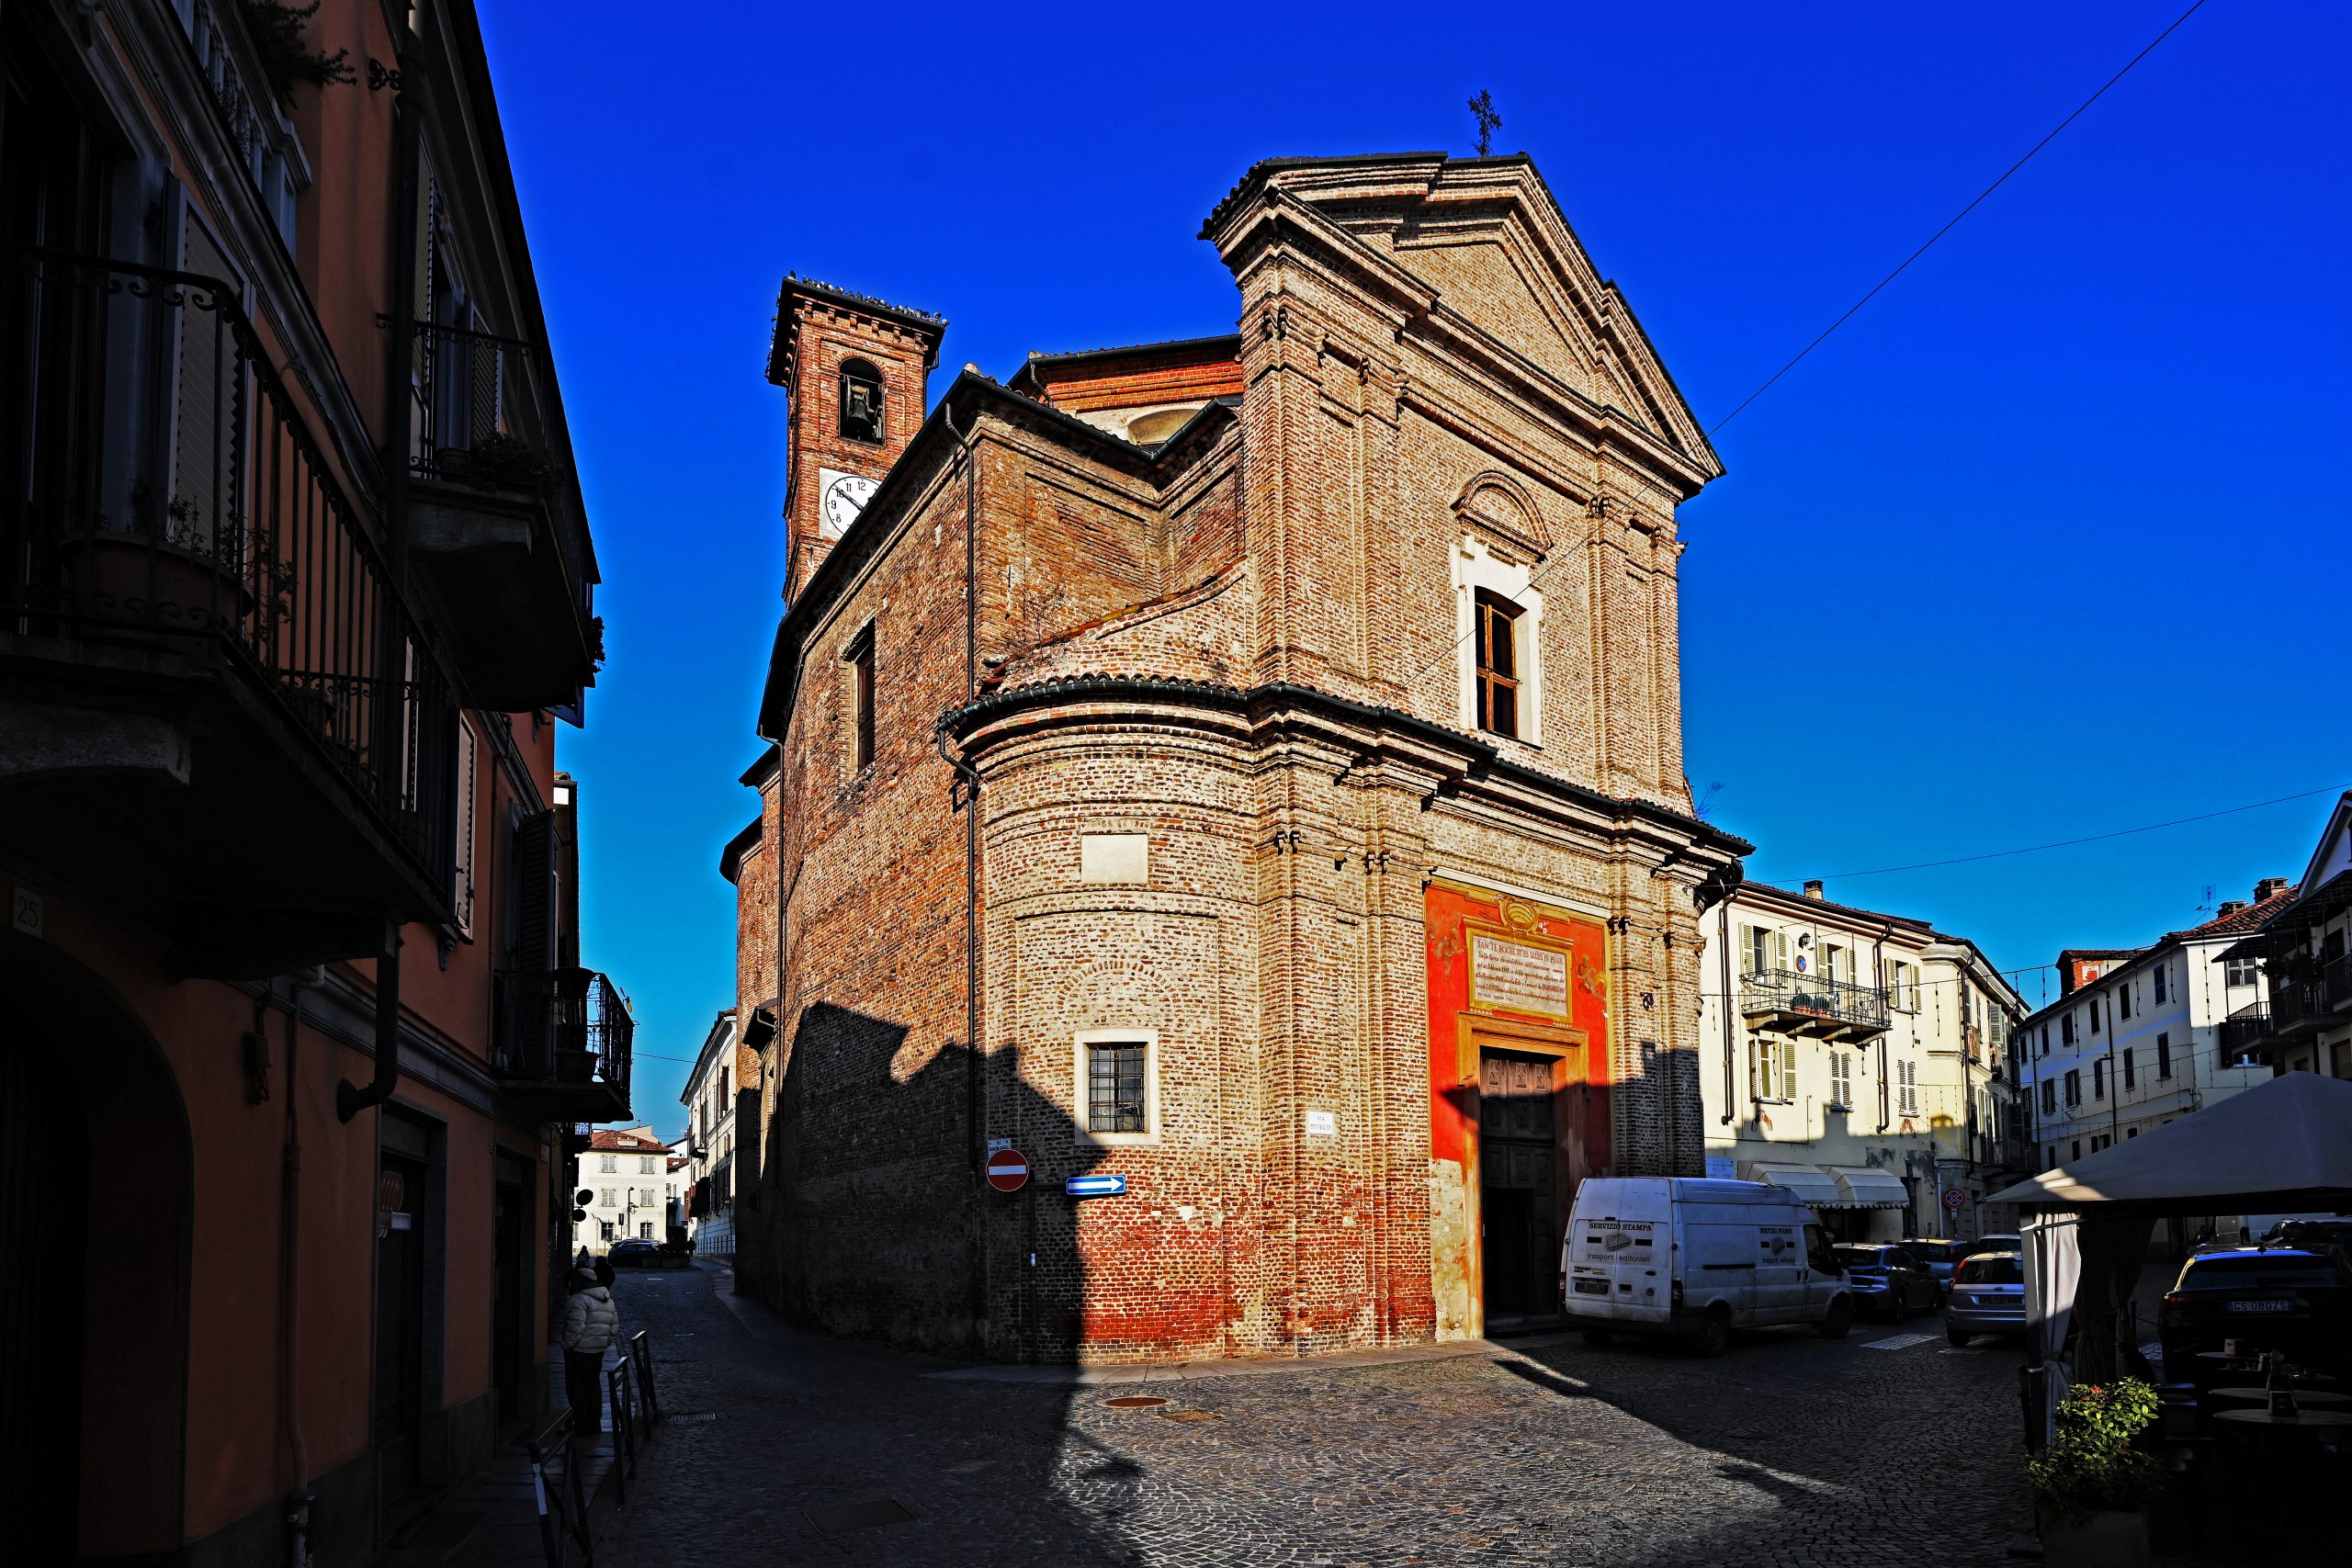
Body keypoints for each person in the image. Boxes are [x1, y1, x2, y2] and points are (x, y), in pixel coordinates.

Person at [560, 1268, 619, 1432]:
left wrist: (567, 1345)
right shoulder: (607, 1298)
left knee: (577, 1387)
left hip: (579, 1350)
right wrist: (603, 1343)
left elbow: (575, 1327)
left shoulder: (579, 1299)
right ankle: (594, 1421)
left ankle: (582, 1423)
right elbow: (614, 1327)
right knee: (593, 1384)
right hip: (598, 1350)